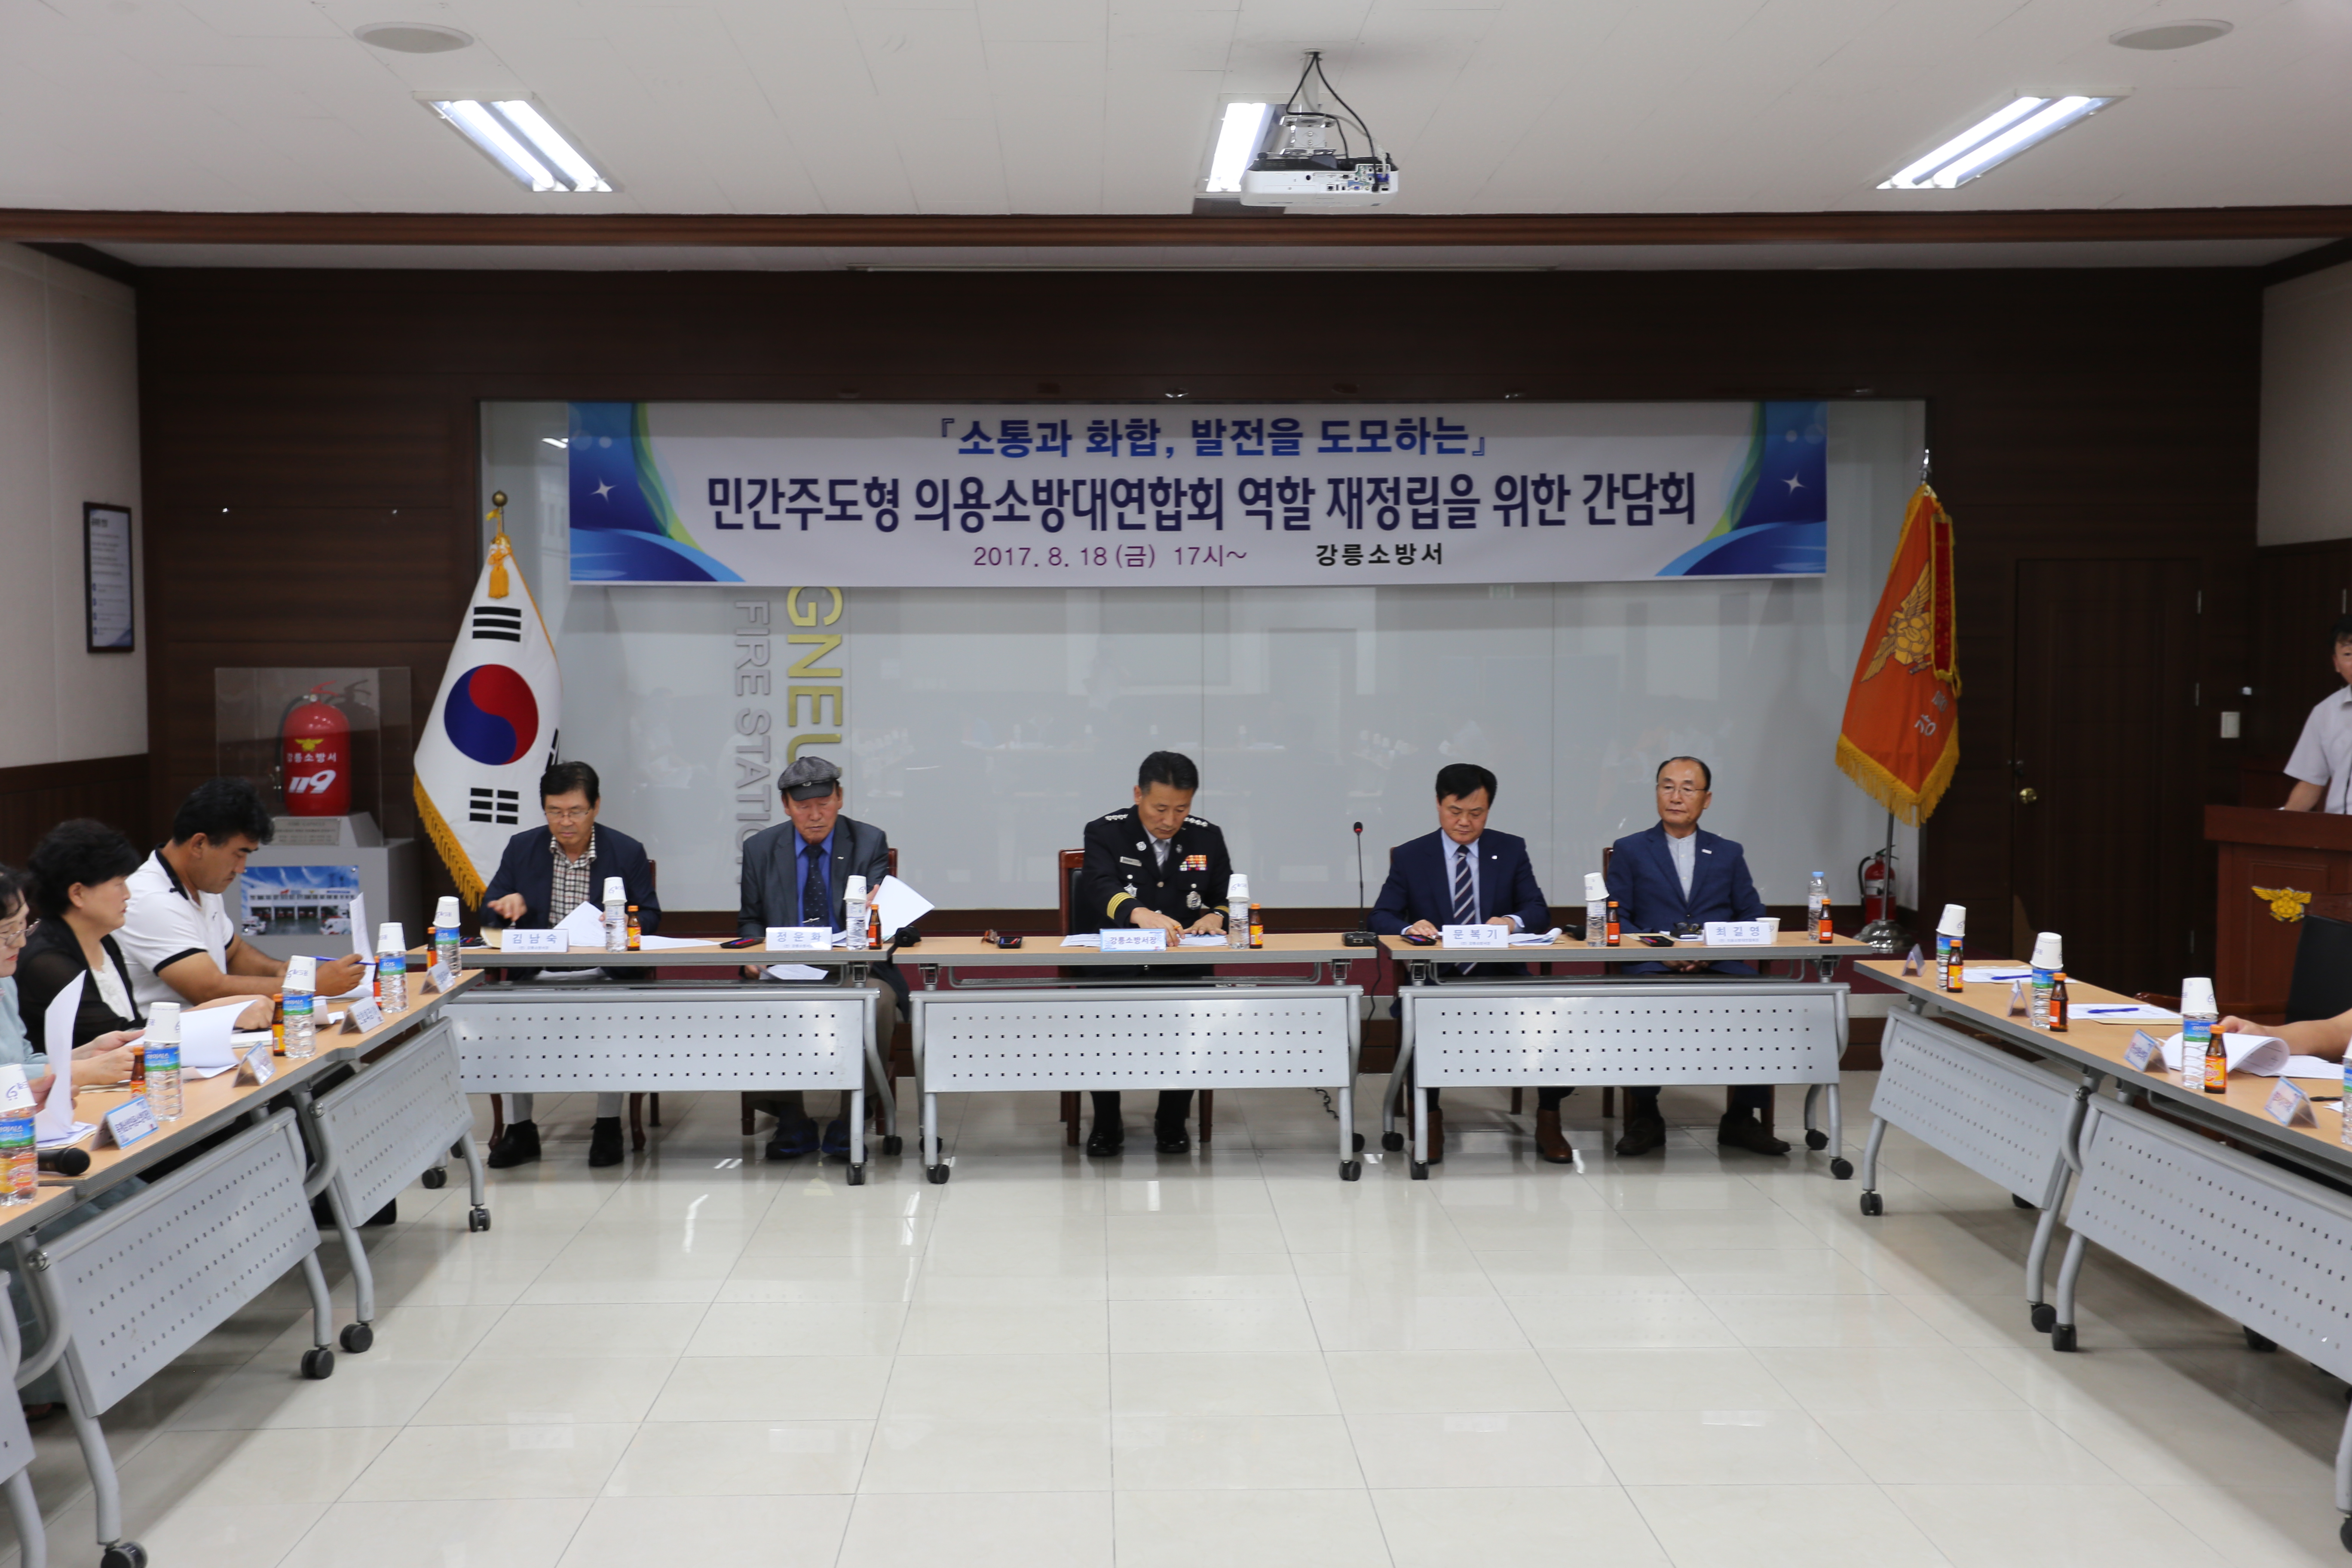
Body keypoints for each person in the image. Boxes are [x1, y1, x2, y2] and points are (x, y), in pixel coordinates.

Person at [1368, 763, 1564, 1164]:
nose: (1464, 822)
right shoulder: (1412, 855)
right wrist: (1410, 928)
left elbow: (1537, 910)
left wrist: (1511, 922)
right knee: (1419, 1014)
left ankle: (1549, 1119)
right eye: (1455, 811)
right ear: (1439, 804)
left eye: (1477, 813)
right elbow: (1381, 916)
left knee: (1550, 1013)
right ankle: (1430, 1121)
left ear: (1489, 809)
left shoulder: (1510, 849)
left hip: (1500, 975)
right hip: (1436, 978)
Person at [478, 760, 663, 1169]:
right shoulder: (522, 848)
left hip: (605, 973)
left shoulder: (626, 851)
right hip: (535, 974)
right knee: (504, 1017)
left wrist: (623, 920)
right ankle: (520, 1129)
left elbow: (651, 915)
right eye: (555, 811)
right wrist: (504, 907)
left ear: (595, 806)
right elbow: (487, 917)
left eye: (576, 811)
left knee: (614, 1016)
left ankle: (608, 1125)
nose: (565, 822)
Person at [1605, 756, 1785, 1158]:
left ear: (1707, 799)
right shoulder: (1631, 850)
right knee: (1637, 1001)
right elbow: (1617, 917)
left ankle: (1741, 1117)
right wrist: (1662, 951)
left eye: (1688, 789)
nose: (1676, 797)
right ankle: (1646, 1115)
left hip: (1718, 962)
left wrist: (1711, 949)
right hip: (1653, 962)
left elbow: (1752, 915)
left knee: (1764, 998)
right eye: (1667, 787)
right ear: (1656, 793)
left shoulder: (1728, 853)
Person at [738, 754, 900, 1161]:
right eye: (804, 807)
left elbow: (882, 920)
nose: (815, 816)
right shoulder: (760, 849)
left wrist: (875, 913)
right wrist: (754, 957)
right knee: (756, 999)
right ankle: (791, 1118)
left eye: (824, 804)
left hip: (853, 969)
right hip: (785, 968)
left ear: (840, 799)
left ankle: (853, 1117)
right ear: (786, 806)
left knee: (879, 1001)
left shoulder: (868, 841)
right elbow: (751, 920)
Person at [1074, 750, 1231, 1157]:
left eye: (1182, 809)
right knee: (1101, 1024)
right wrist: (1138, 912)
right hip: (1115, 963)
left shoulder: (1207, 837)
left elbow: (1227, 895)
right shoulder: (1105, 832)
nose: (1170, 820)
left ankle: (1172, 1120)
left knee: (1192, 1021)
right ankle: (1107, 1121)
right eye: (1160, 808)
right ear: (1138, 795)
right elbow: (1099, 885)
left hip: (1182, 964)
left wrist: (1216, 915)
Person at [115, 777, 367, 1011]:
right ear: (199, 844)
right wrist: (309, 987)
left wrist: (280, 971)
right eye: (238, 854)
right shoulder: (151, 899)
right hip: (159, 1040)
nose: (241, 868)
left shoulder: (202, 885)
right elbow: (208, 990)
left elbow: (233, 953)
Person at [21, 819, 272, 1050]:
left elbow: (134, 1027)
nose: (128, 895)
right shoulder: (46, 963)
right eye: (119, 884)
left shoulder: (105, 941)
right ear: (78, 894)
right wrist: (221, 1014)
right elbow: (119, 1039)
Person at [2283, 616, 2352, 813]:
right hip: (2338, 828)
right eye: (2348, 654)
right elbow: (2311, 783)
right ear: (2336, 663)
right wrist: (2277, 825)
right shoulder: (2325, 712)